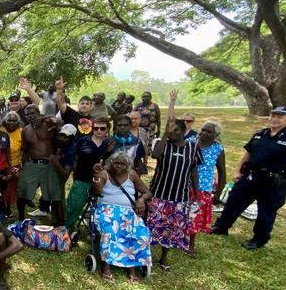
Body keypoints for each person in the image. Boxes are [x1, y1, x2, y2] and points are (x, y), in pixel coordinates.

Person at [211, 106, 286, 250]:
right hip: (251, 176)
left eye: (280, 116)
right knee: (234, 201)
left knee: (266, 211)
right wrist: (238, 171)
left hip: (273, 182)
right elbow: (248, 154)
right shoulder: (260, 134)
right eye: (273, 115)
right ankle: (221, 227)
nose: (275, 119)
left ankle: (259, 239)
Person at [147, 117, 202, 270]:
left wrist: (196, 194)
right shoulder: (163, 144)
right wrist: (165, 134)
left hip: (180, 196)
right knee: (154, 225)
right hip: (159, 193)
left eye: (176, 130)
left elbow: (194, 171)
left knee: (171, 229)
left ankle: (164, 258)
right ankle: (146, 255)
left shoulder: (192, 147)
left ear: (184, 131)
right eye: (170, 130)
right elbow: (155, 156)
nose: (172, 133)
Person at [91, 152, 153, 284]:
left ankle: (131, 267)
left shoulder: (132, 175)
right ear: (111, 163)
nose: (118, 166)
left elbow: (148, 192)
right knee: (110, 232)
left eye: (122, 163)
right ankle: (105, 266)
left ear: (128, 165)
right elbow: (96, 192)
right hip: (107, 210)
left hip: (129, 212)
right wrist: (96, 177)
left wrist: (141, 199)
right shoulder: (104, 174)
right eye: (116, 163)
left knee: (141, 235)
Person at [186, 121, 226, 254]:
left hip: (202, 188)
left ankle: (191, 243)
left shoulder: (217, 149)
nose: (204, 133)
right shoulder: (190, 142)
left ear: (216, 135)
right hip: (184, 184)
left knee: (195, 216)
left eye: (209, 132)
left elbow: (221, 172)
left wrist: (218, 193)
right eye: (203, 130)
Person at [65, 117, 112, 228]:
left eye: (102, 128)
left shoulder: (110, 144)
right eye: (96, 128)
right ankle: (67, 227)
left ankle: (95, 231)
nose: (99, 130)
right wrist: (74, 175)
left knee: (100, 208)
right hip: (82, 179)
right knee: (74, 205)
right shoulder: (83, 141)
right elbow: (75, 158)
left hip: (103, 182)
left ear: (107, 129)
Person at [16, 105, 60, 221]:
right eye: (27, 114)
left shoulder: (49, 123)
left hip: (49, 163)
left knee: (54, 195)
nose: (30, 116)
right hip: (33, 163)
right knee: (22, 193)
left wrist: (46, 118)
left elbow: (60, 121)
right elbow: (25, 150)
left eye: (32, 113)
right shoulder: (26, 130)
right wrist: (24, 166)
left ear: (38, 113)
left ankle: (60, 223)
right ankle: (21, 220)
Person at [0, 111, 23, 215]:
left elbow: (24, 148)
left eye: (14, 120)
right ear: (5, 121)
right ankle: (3, 206)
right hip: (2, 164)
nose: (11, 122)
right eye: (9, 120)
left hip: (15, 164)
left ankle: (9, 207)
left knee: (12, 187)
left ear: (17, 122)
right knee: (3, 186)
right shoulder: (1, 129)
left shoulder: (21, 131)